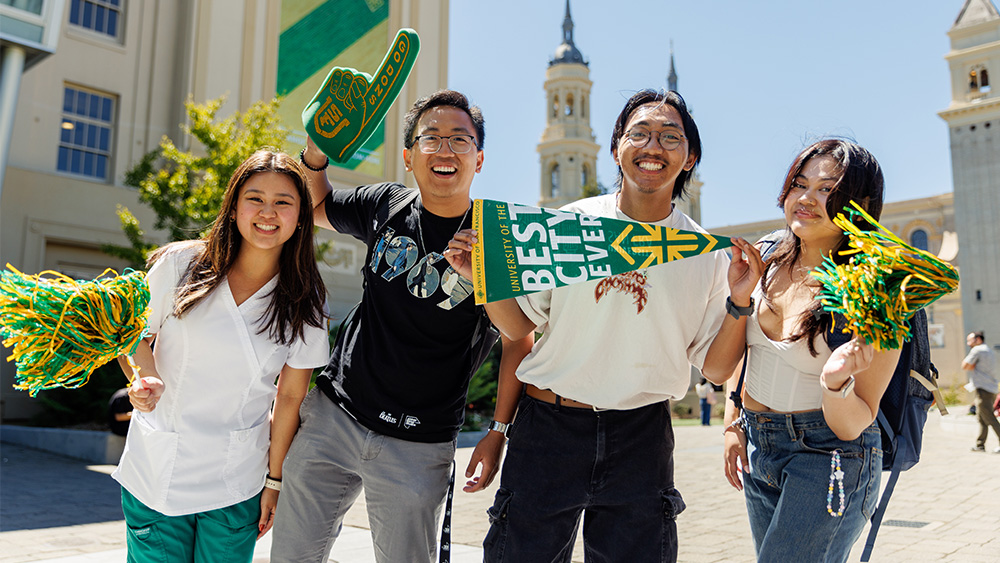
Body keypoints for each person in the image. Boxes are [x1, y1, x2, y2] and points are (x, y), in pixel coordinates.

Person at [446, 89, 741, 562]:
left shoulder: (706, 253)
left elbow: (718, 367)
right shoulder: (571, 224)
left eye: (670, 137)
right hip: (548, 430)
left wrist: (741, 305)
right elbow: (520, 325)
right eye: (639, 133)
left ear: (690, 158)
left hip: (641, 439)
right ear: (616, 148)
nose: (653, 147)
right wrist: (485, 280)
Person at [270, 90, 533, 563]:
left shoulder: (496, 237)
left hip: (420, 440)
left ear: (479, 159)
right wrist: (316, 149)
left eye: (460, 139)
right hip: (335, 418)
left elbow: (519, 337)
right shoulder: (386, 204)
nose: (445, 150)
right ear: (409, 156)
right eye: (431, 138)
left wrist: (497, 433)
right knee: (291, 556)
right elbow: (311, 206)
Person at [111, 150, 330, 563]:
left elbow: (289, 398)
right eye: (255, 198)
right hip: (158, 468)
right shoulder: (180, 264)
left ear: (301, 216)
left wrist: (276, 480)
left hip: (236, 480)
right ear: (233, 208)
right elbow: (133, 336)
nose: (268, 212)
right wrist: (144, 377)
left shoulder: (307, 300)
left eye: (283, 201)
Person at [712, 139, 902, 563]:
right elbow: (741, 353)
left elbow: (857, 420)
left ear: (861, 204)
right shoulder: (765, 257)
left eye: (827, 190)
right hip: (759, 444)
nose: (806, 198)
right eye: (800, 184)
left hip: (831, 453)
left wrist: (835, 384)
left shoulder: (876, 290)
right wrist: (732, 423)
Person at [962, 331, 1000, 453]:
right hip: (991, 388)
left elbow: (965, 365)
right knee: (981, 417)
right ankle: (980, 444)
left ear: (978, 339)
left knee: (989, 417)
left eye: (970, 341)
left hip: (984, 390)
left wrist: (972, 366)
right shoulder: (989, 350)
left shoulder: (977, 350)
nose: (968, 344)